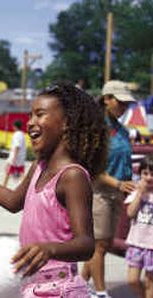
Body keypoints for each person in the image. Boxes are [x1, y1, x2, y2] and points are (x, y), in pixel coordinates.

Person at [0, 81, 108, 297]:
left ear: (66, 123)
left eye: (40, 114)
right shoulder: (38, 166)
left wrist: (49, 248)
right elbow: (13, 202)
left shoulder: (73, 176)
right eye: (30, 115)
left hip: (60, 288)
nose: (30, 122)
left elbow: (86, 244)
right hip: (32, 285)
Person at [81, 80, 137, 298]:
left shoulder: (121, 130)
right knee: (99, 246)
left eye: (127, 104)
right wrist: (119, 184)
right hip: (99, 192)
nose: (124, 107)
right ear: (107, 99)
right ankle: (101, 292)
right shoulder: (96, 129)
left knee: (102, 243)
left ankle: (78, 286)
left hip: (117, 193)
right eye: (120, 102)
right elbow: (91, 166)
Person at [124, 154, 153, 298]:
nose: (148, 177)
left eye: (152, 174)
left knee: (150, 283)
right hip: (136, 243)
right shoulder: (136, 193)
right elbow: (130, 213)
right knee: (132, 280)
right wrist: (140, 193)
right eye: (145, 173)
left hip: (152, 246)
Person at [2, 120, 26, 187]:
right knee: (21, 173)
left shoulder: (17, 134)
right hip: (20, 158)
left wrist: (13, 158)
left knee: (7, 171)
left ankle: (3, 186)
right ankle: (26, 188)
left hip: (15, 157)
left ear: (15, 127)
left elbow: (17, 146)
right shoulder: (22, 134)